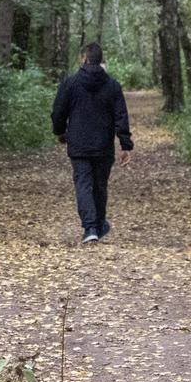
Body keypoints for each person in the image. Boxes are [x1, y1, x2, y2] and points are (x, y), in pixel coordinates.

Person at [51, 42, 133, 244]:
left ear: (85, 59)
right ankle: (97, 225)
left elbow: (58, 112)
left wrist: (60, 132)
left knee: (84, 185)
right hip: (103, 146)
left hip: (78, 145)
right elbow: (120, 116)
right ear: (100, 60)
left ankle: (91, 228)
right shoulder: (112, 86)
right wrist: (125, 144)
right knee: (99, 186)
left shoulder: (71, 83)